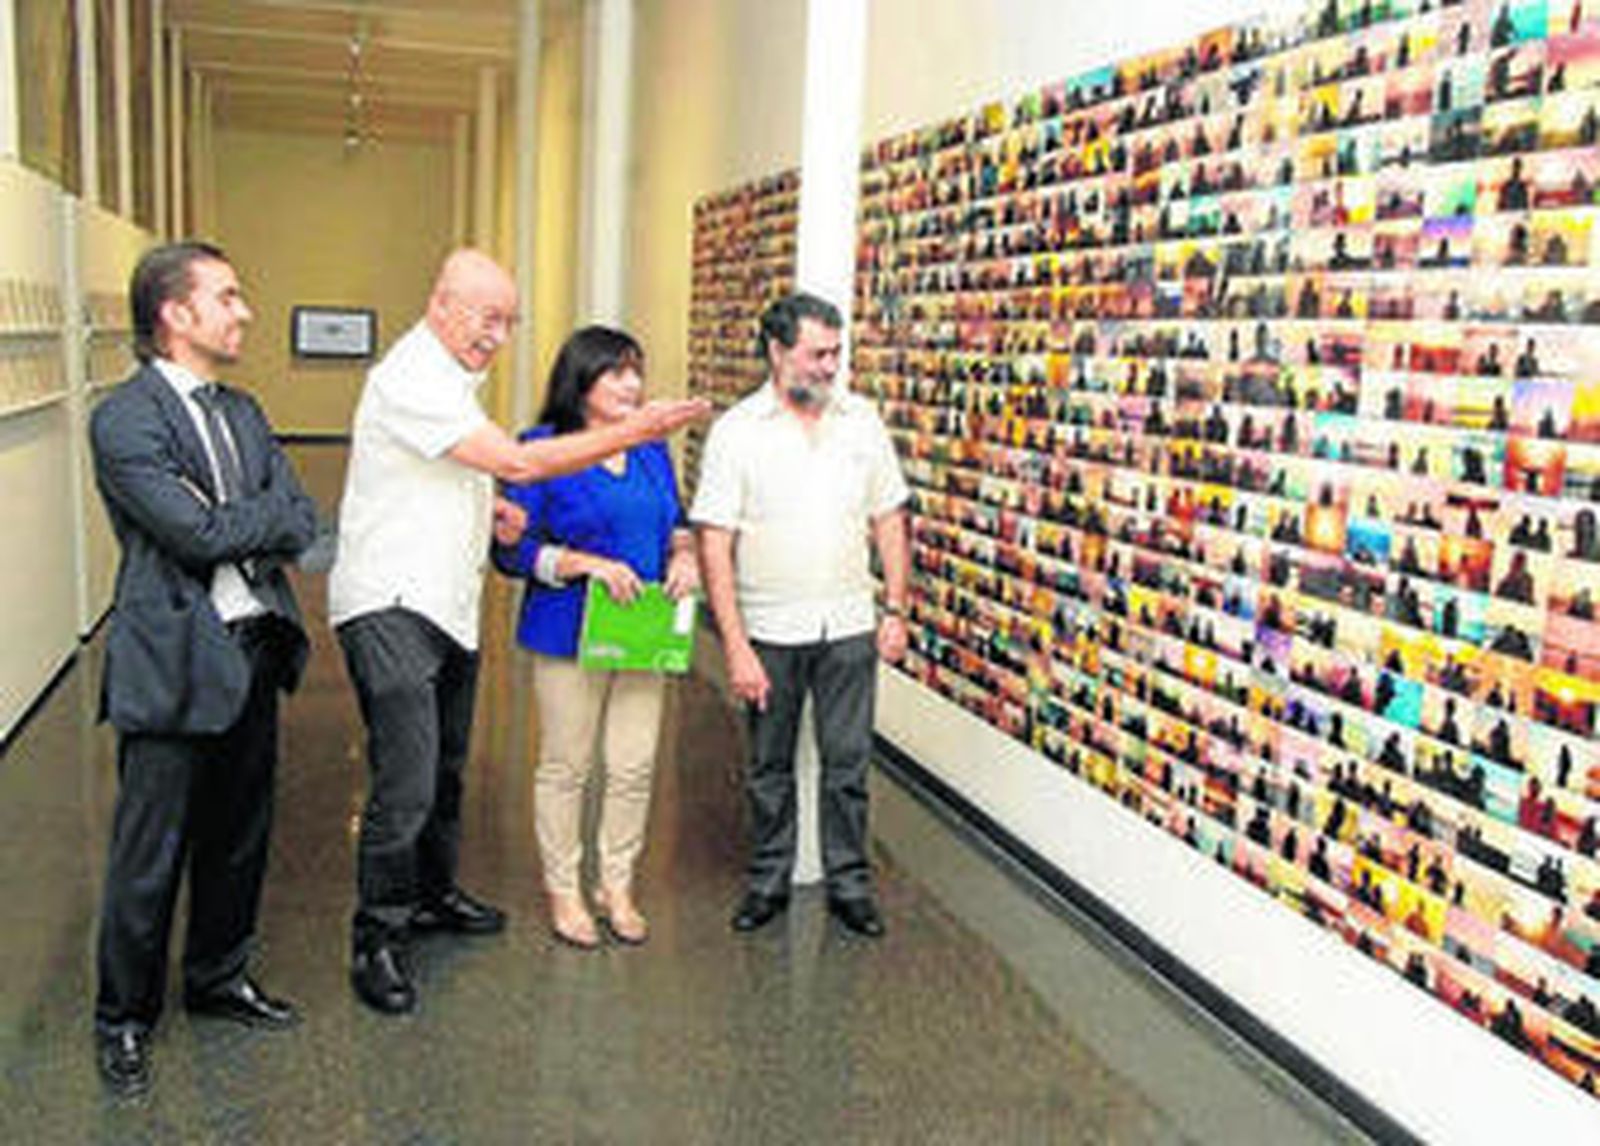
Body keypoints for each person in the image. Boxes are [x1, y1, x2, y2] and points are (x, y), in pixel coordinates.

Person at [329, 249, 706, 1013]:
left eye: (509, 323)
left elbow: (472, 478)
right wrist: (640, 430)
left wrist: (488, 508)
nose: (497, 336)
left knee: (445, 771)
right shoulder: (412, 376)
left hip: (446, 605)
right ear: (441, 304)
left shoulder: (456, 385)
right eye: (486, 318)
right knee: (405, 781)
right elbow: (518, 465)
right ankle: (378, 938)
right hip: (393, 601)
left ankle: (433, 896)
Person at [89, 241, 318, 1096]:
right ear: (175, 315)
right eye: (227, 297)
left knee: (239, 838)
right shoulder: (126, 418)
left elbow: (297, 513)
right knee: (149, 854)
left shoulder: (246, 412)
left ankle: (219, 978)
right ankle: (123, 1019)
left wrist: (242, 515)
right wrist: (251, 517)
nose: (244, 312)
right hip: (174, 660)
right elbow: (195, 537)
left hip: (253, 648)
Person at [692, 292, 911, 939]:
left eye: (836, 353)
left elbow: (890, 517)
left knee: (848, 764)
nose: (828, 366)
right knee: (768, 767)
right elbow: (714, 542)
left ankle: (850, 883)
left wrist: (896, 608)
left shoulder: (861, 421)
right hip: (769, 630)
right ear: (778, 351)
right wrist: (734, 646)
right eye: (817, 354)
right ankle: (767, 880)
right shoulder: (738, 432)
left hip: (848, 624)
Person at [492, 327, 698, 948]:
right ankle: (564, 888)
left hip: (643, 631)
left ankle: (617, 884)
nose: (633, 385)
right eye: (617, 374)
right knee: (566, 765)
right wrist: (585, 565)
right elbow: (512, 553)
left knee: (633, 765)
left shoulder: (650, 450)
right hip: (568, 631)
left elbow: (675, 521)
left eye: (637, 371)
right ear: (580, 383)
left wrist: (683, 555)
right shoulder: (540, 448)